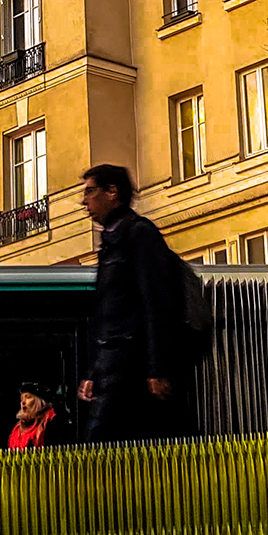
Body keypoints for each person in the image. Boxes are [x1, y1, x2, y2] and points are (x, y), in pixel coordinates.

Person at [75, 163, 197, 442]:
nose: (85, 201)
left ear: (112, 192)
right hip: (117, 364)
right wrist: (94, 372)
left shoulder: (137, 234)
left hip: (130, 364)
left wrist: (157, 369)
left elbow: (156, 303)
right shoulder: (114, 240)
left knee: (101, 443)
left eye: (91, 191)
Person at [7, 383, 65, 450]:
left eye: (28, 397)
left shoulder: (53, 422)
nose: (23, 402)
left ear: (39, 401)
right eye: (21, 398)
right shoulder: (17, 427)